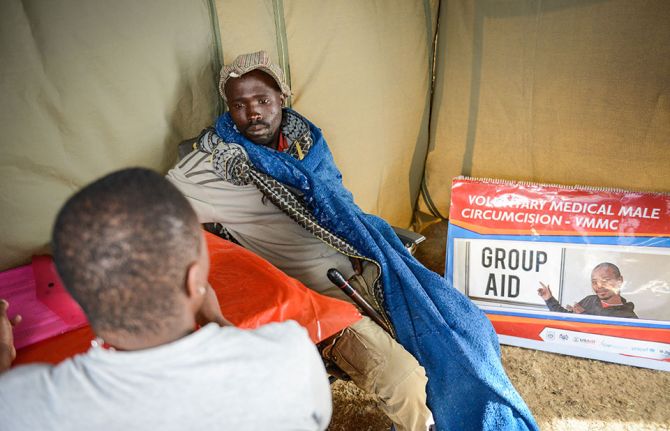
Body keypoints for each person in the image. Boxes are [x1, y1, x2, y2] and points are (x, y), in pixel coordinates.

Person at [167, 50, 538, 431]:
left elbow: (341, 205)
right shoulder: (215, 164)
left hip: (369, 264)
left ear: (283, 97)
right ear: (229, 110)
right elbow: (154, 212)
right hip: (319, 297)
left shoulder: (307, 144)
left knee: (469, 333)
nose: (254, 113)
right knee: (406, 380)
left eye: (262, 100)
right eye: (239, 105)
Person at [0, 168, 332, 431]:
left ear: (76, 294)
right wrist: (218, 322)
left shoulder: (24, 403)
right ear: (193, 280)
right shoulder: (289, 354)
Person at [538, 262, 638, 318]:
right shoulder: (590, 300)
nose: (599, 286)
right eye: (594, 282)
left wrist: (584, 316)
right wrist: (549, 299)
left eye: (605, 280)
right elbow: (565, 318)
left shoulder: (628, 316)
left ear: (619, 280)